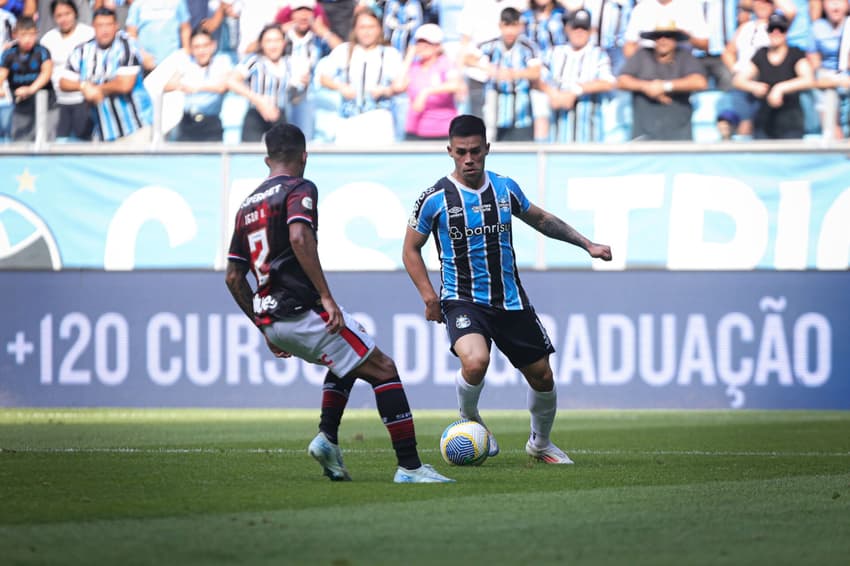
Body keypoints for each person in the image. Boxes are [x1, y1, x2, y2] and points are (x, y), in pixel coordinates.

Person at [225, 122, 453, 484]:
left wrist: (263, 326)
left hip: (271, 318)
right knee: (383, 369)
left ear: (266, 159)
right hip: (301, 308)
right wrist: (325, 297)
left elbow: (233, 277)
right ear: (304, 155)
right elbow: (299, 237)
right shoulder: (299, 187)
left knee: (349, 359)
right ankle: (409, 468)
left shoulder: (245, 207)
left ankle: (327, 439)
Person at [402, 114, 612, 465]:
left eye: (475, 151)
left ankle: (540, 443)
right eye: (461, 152)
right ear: (450, 151)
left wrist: (587, 244)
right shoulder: (434, 198)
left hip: (511, 300)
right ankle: (470, 419)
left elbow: (542, 220)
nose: (469, 159)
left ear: (487, 149)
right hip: (462, 299)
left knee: (543, 377)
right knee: (475, 360)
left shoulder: (504, 188)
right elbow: (411, 249)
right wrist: (428, 296)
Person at [60, 7, 153, 143]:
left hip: (135, 130)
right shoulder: (82, 51)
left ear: (116, 26)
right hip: (103, 133)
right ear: (93, 27)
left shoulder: (127, 47)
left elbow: (125, 84)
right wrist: (83, 86)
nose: (105, 30)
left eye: (108, 25)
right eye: (100, 25)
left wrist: (96, 89)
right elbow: (64, 82)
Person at [318, 8, 405, 144]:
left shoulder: (390, 54)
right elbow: (323, 78)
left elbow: (401, 84)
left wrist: (385, 90)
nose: (367, 32)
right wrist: (340, 87)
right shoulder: (343, 50)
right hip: (348, 119)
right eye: (362, 27)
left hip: (379, 118)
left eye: (371, 27)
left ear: (378, 29)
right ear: (355, 30)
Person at [617, 21, 708, 140]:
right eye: (659, 36)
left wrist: (665, 86)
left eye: (668, 36)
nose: (663, 40)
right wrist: (647, 87)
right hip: (644, 131)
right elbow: (621, 81)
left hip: (678, 132)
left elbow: (700, 82)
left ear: (675, 40)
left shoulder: (685, 57)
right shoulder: (642, 55)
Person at [731, 12, 814, 139]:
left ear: (786, 32)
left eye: (780, 29)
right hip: (764, 121)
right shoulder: (761, 54)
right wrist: (753, 86)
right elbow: (739, 80)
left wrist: (781, 88)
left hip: (790, 120)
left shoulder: (795, 54)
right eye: (772, 29)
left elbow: (808, 79)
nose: (776, 33)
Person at [542, 8, 616, 142]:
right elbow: (538, 80)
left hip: (589, 137)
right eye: (575, 27)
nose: (579, 32)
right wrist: (553, 94)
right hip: (557, 137)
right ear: (567, 28)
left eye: (584, 28)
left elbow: (608, 82)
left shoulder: (599, 54)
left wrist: (575, 91)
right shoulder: (553, 53)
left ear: (590, 31)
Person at [473, 6, 542, 141]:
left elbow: (536, 72)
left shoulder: (528, 47)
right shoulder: (490, 45)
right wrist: (488, 68)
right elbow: (467, 58)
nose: (510, 31)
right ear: (500, 26)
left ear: (520, 26)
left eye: (514, 26)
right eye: (506, 26)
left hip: (521, 115)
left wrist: (513, 74)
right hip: (494, 115)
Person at [228, 23, 301, 142]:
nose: (273, 45)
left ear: (284, 42)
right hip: (255, 114)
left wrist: (302, 87)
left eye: (277, 40)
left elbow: (296, 97)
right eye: (268, 41)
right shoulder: (254, 61)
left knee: (283, 156)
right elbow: (232, 81)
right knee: (250, 155)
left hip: (279, 115)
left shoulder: (290, 63)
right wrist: (259, 101)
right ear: (261, 44)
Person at [393, 22, 461, 140]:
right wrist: (409, 57)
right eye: (420, 42)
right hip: (416, 129)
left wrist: (426, 92)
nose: (423, 46)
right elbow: (398, 87)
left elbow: (455, 85)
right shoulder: (413, 67)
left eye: (428, 43)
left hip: (443, 130)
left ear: (438, 46)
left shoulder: (445, 63)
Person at [39, 0, 94, 141]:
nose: (64, 19)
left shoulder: (88, 34)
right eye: (59, 15)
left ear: (75, 13)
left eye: (67, 14)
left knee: (84, 145)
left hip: (83, 100)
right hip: (57, 102)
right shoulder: (48, 39)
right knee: (58, 144)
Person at [165, 27, 232, 141]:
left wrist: (195, 87)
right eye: (197, 47)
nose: (201, 51)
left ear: (213, 45)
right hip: (187, 122)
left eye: (205, 46)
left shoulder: (222, 61)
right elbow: (168, 85)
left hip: (211, 122)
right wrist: (183, 86)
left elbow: (222, 86)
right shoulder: (186, 63)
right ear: (191, 49)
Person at [0, 16, 56, 141]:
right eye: (23, 35)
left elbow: (46, 73)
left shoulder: (42, 51)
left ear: (37, 34)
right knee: (20, 143)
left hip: (46, 106)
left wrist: (31, 89)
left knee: (47, 142)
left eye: (31, 35)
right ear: (15, 35)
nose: (28, 39)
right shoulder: (9, 54)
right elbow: (1, 76)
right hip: (21, 107)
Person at [807, 0, 850, 138]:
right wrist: (834, 80)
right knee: (826, 95)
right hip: (827, 77)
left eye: (840, 2)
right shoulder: (817, 27)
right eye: (831, 2)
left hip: (847, 76)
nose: (835, 7)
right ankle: (835, 144)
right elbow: (814, 61)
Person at [125, 0, 192, 74]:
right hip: (147, 64)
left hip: (173, 62)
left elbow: (185, 27)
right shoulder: (137, 3)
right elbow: (131, 32)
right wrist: (142, 55)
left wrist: (186, 53)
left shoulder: (178, 1)